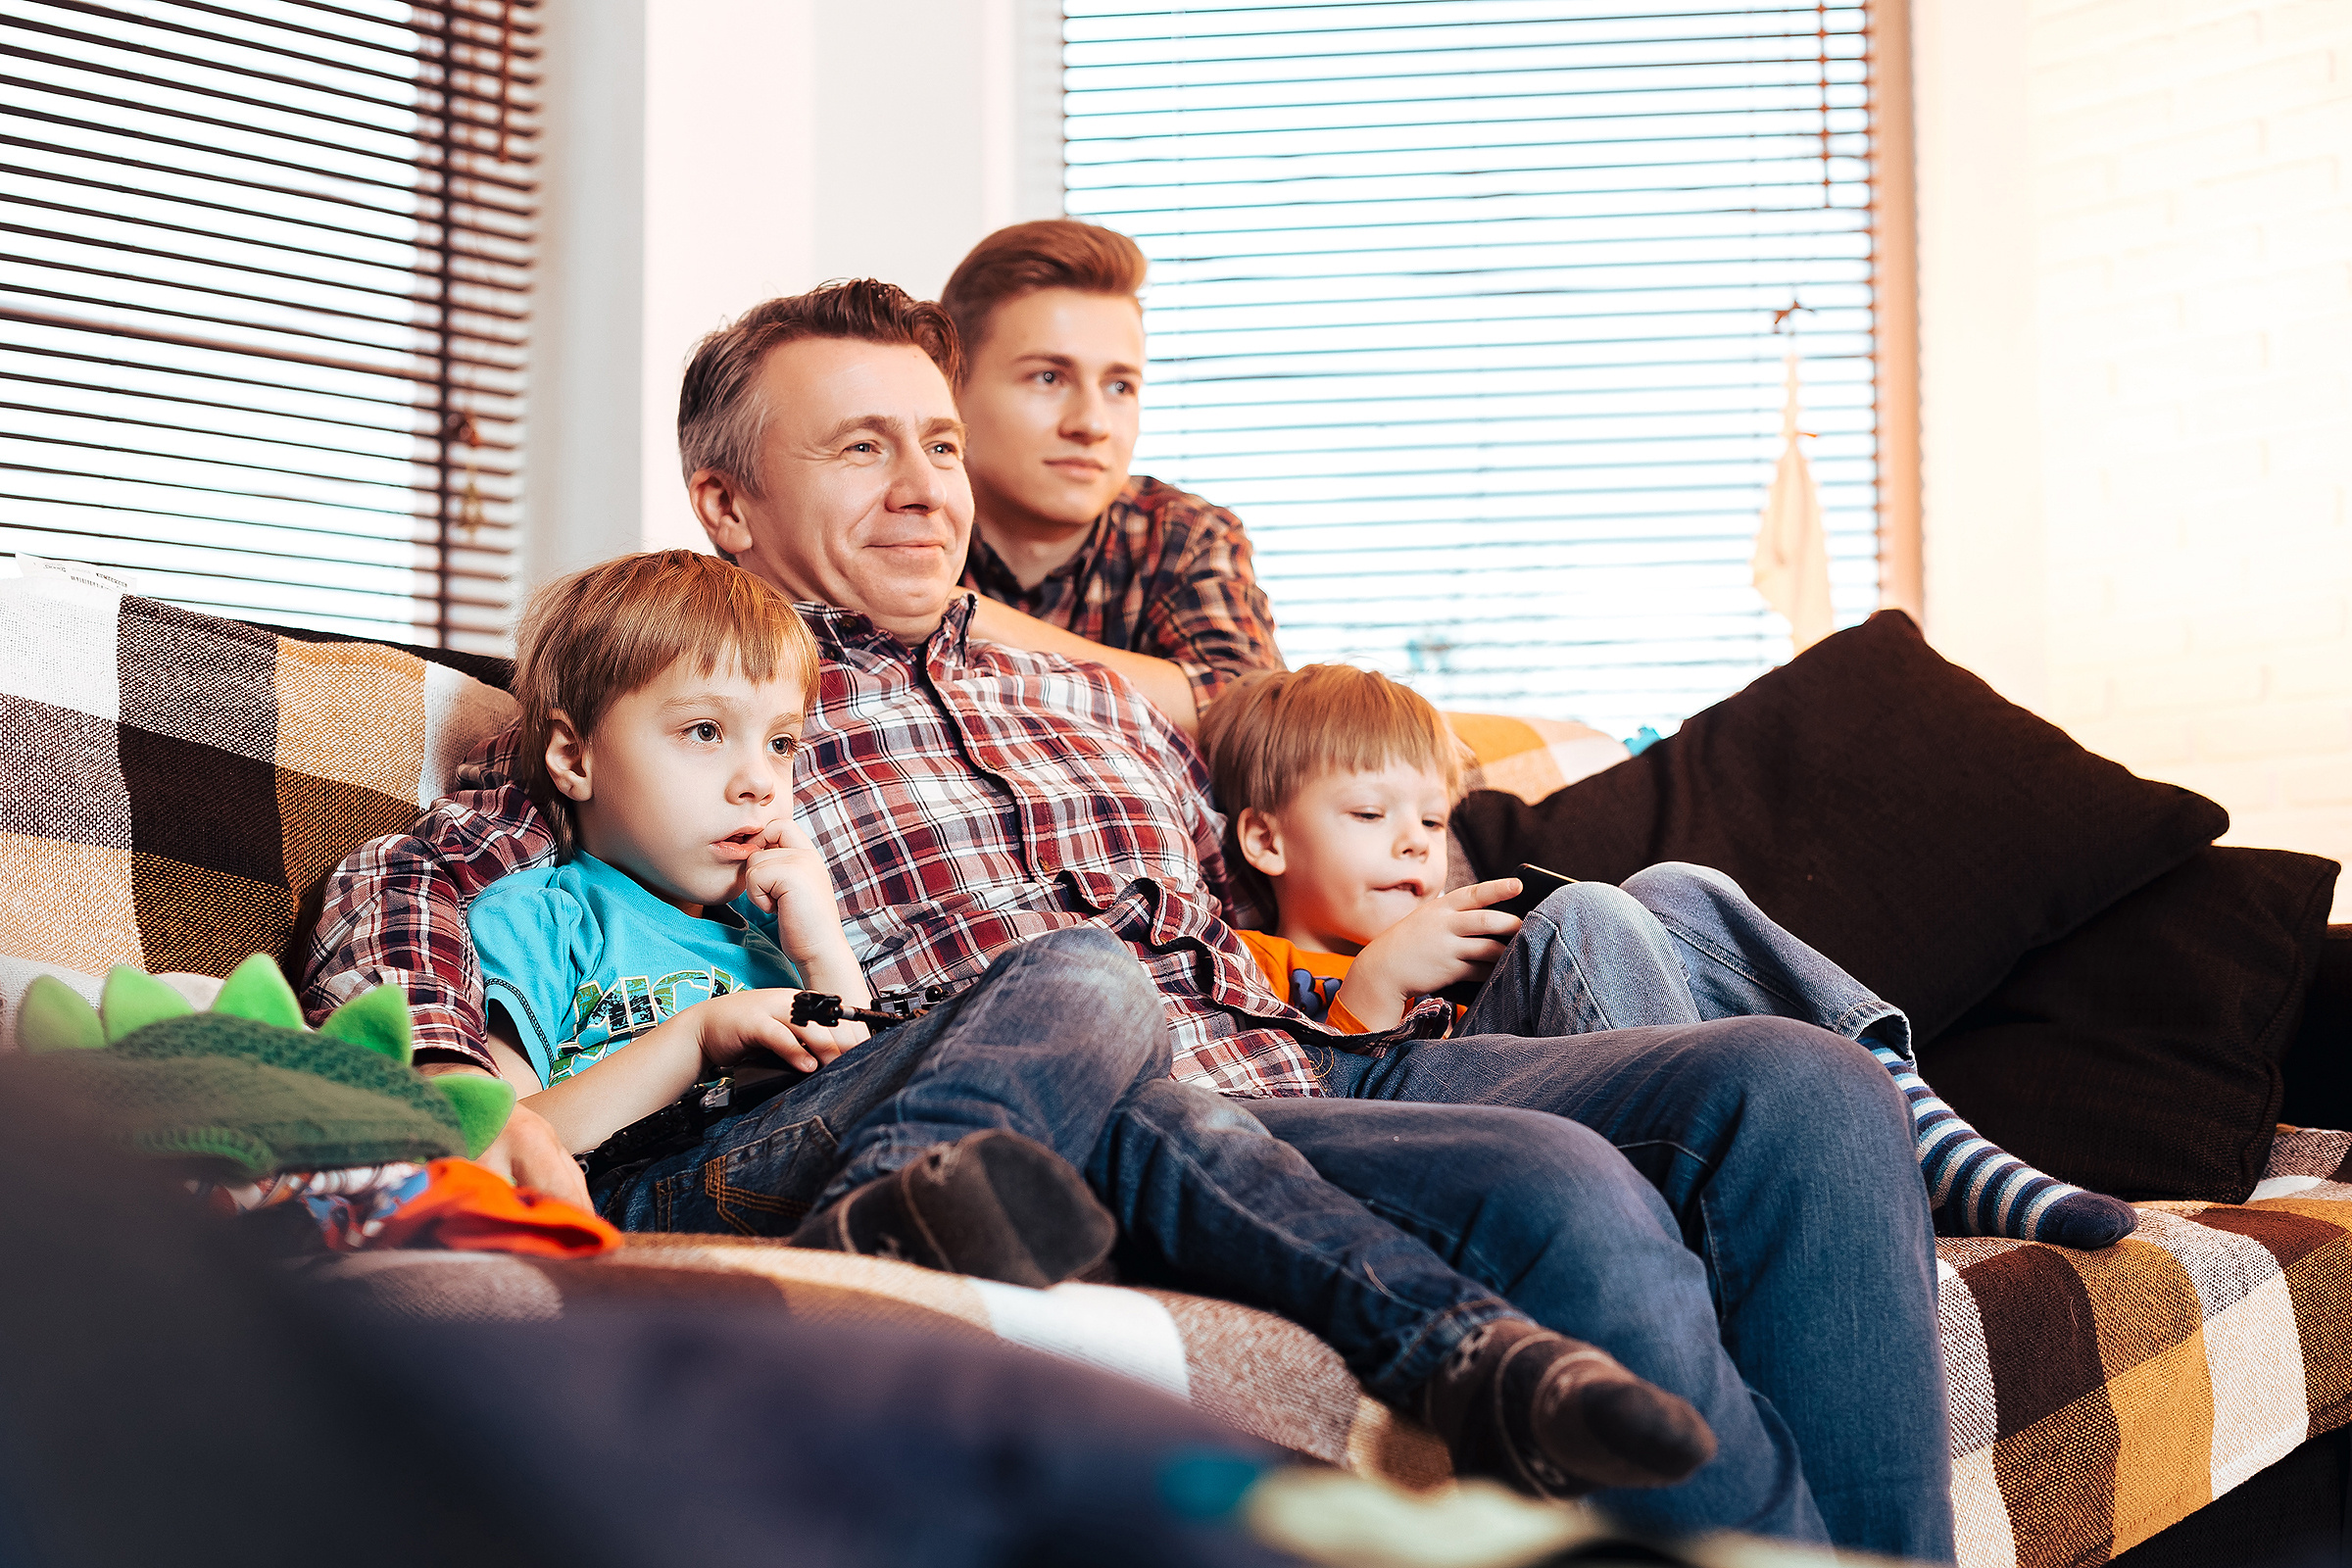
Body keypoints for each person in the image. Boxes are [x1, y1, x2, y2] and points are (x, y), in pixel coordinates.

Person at [303, 279, 1954, 1560]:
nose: (921, 484)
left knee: (1805, 1089)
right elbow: (447, 876)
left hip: (1317, 1065)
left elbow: (1313, 817)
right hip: (1097, 1116)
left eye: (938, 439)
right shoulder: (716, 695)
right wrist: (470, 1089)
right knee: (1562, 1189)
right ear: (729, 503)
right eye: (858, 446)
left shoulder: (1097, 693)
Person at [462, 546, 1715, 1499]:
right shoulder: (539, 912)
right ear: (571, 758)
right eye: (702, 735)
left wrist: (811, 942)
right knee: (1088, 973)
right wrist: (693, 1036)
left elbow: (854, 1051)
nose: (754, 778)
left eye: (781, 743)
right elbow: (509, 1142)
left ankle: (1469, 1353)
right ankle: (889, 1229)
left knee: (1149, 1108)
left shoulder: (763, 918)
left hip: (817, 1145)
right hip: (665, 1184)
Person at [1198, 664, 2139, 1250]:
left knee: (1674, 888)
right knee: (1589, 916)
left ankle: (1917, 1122)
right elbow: (1288, 1135)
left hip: (1555, 1095)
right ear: (1268, 842)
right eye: (1370, 816)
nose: (1416, 844)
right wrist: (1373, 986)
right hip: (1448, 1148)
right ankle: (1731, 1191)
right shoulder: (1244, 963)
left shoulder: (1471, 945)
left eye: (1434, 820)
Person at [943, 220, 1284, 734]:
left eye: (1120, 386)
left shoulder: (1181, 534)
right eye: (1048, 377)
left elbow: (1252, 719)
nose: (1093, 424)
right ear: (951, 384)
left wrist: (964, 617)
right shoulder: (890, 525)